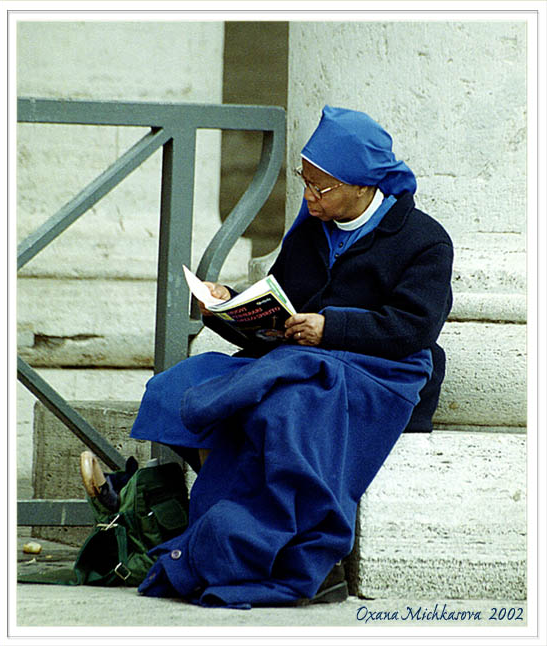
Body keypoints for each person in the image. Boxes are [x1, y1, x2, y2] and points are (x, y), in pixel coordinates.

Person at [81, 106, 453, 608]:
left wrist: (333, 327)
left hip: (380, 370)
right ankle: (208, 514)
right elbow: (279, 313)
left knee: (279, 408)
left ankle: (233, 536)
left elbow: (415, 328)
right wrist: (225, 307)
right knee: (178, 385)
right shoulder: (309, 230)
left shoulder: (423, 239)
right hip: (300, 357)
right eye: (306, 182)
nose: (309, 198)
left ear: (365, 186)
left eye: (323, 188)